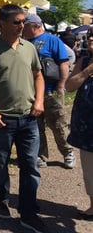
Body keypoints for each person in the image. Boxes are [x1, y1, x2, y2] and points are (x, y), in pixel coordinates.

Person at [0, 4, 47, 233]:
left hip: (29, 118)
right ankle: (1, 198)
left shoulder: (29, 48)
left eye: (23, 21)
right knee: (0, 164)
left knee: (30, 166)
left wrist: (39, 101)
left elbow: (38, 75)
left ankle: (29, 213)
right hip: (2, 119)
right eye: (17, 22)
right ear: (2, 24)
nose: (22, 25)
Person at [22, 13, 75, 169]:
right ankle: (40, 155)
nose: (22, 28)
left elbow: (64, 63)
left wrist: (61, 85)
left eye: (25, 25)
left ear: (35, 26)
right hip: (31, 92)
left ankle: (68, 152)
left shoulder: (52, 40)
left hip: (50, 91)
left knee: (58, 124)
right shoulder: (24, 43)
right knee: (36, 126)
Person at [66, 27, 93, 220]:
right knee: (89, 169)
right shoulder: (83, 61)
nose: (91, 38)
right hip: (86, 125)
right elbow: (69, 86)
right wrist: (89, 70)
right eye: (90, 35)